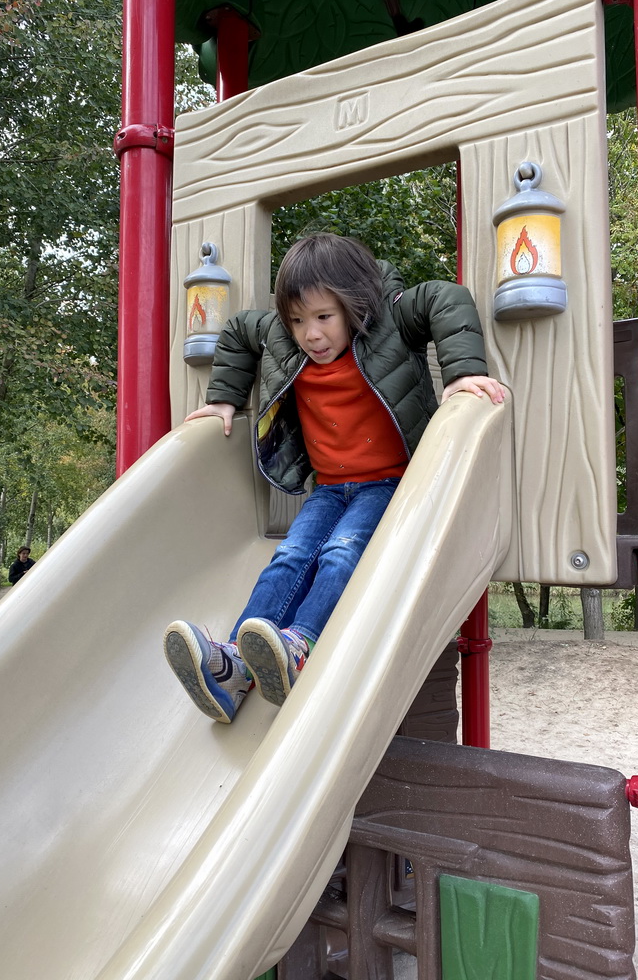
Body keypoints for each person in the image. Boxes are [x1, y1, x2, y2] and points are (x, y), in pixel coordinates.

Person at [164, 233, 505, 724]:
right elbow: (239, 330)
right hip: (328, 487)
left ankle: (301, 645)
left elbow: (445, 298)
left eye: (324, 317)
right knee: (289, 557)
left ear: (355, 306)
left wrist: (461, 372)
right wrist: (225, 397)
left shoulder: (389, 321)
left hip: (388, 484)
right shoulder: (284, 337)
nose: (311, 334)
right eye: (298, 320)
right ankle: (236, 664)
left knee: (341, 552)